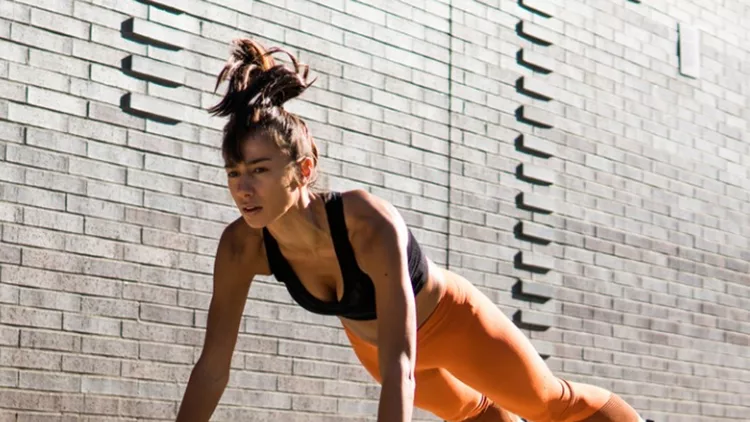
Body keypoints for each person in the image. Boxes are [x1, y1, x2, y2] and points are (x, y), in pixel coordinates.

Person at [175, 38, 645, 422]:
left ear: (303, 169)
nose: (242, 188)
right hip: (372, 346)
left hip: (451, 323)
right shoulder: (241, 247)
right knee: (475, 415)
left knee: (547, 405)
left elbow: (403, 363)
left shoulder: (365, 221)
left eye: (258, 169)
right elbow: (213, 367)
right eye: (233, 172)